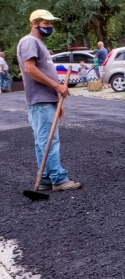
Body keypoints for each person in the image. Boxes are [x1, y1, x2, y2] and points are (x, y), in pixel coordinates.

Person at [16, 10, 82, 191]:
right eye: (46, 24)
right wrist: (56, 86)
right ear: (34, 24)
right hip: (40, 100)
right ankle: (59, 179)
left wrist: (55, 101)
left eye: (51, 24)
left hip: (45, 101)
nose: (50, 27)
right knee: (49, 141)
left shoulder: (38, 43)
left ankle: (45, 179)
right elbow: (30, 69)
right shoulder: (29, 42)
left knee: (43, 141)